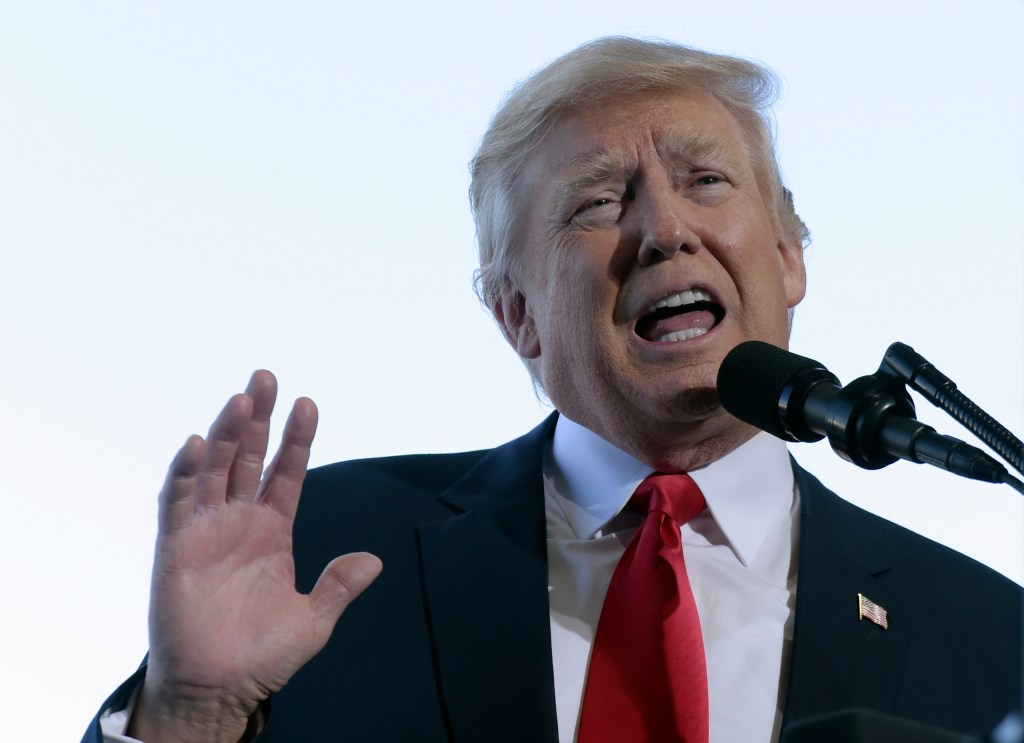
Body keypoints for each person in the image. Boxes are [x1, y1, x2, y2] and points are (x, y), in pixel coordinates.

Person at [85, 37, 1021, 743]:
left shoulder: (990, 633)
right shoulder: (326, 550)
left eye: (704, 179)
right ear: (517, 315)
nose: (663, 230)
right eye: (598, 202)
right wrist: (193, 712)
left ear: (788, 257)